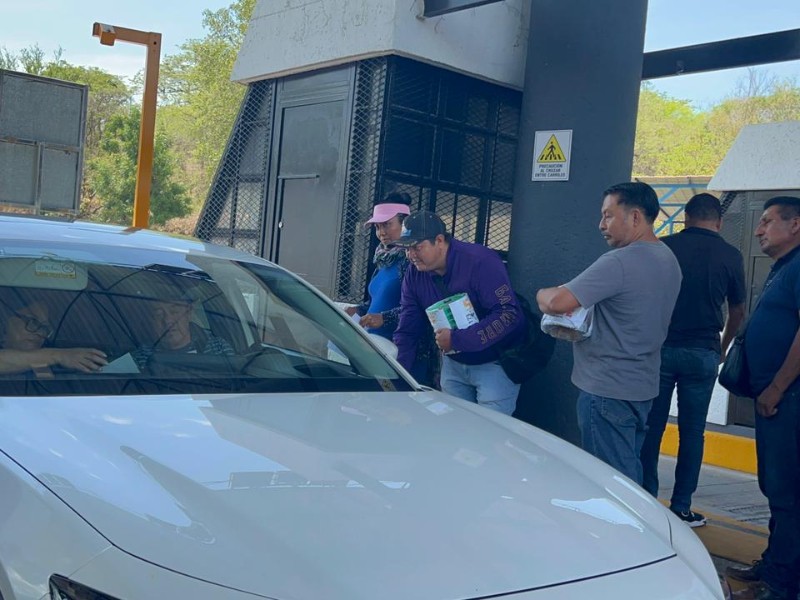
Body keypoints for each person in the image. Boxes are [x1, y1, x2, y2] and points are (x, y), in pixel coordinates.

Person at [535, 182, 682, 484]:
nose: (601, 225)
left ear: (635, 217)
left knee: (613, 483)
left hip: (606, 391)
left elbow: (556, 302)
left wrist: (541, 293)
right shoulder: (668, 259)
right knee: (631, 472)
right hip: (642, 387)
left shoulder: (620, 261)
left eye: (608, 215)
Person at [639, 193, 746, 527]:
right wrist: (723, 347)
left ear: (686, 217)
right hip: (703, 352)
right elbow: (738, 311)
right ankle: (682, 507)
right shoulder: (730, 254)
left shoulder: (664, 247)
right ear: (719, 221)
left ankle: (646, 500)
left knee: (651, 427)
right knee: (693, 432)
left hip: (661, 349)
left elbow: (644, 298)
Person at [725, 196, 800, 600]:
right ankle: (774, 565)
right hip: (777, 401)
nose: (758, 230)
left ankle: (781, 585)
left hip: (789, 399)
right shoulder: (784, 268)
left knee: (787, 492)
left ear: (796, 225)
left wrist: (777, 387)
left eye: (767, 221)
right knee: (776, 488)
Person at [392, 210, 526, 415]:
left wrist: (457, 340)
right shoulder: (414, 273)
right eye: (406, 249)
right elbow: (408, 326)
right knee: (454, 427)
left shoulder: (481, 261)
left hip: (494, 363)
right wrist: (397, 375)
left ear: (439, 240)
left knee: (489, 429)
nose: (411, 255)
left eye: (417, 247)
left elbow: (508, 314)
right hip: (453, 363)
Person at [345, 193, 437, 386]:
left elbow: (421, 308)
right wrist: (359, 309)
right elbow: (376, 300)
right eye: (377, 227)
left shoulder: (412, 262)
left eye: (387, 224)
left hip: (405, 353)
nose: (382, 232)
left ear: (404, 224)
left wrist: (384, 318)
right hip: (375, 349)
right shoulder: (383, 259)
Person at [0, 300, 108, 375]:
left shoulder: (44, 367)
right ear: (4, 321)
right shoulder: (54, 357)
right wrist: (60, 355)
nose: (40, 332)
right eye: (32, 321)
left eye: (45, 327)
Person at [132, 296, 234, 369]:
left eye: (174, 312)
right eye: (158, 314)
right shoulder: (139, 360)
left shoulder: (218, 348)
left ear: (189, 313)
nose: (167, 320)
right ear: (150, 320)